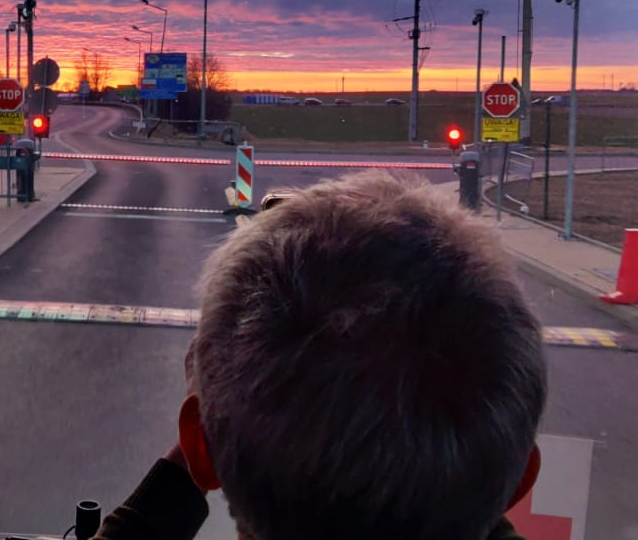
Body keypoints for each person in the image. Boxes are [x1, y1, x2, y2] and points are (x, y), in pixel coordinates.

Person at [96, 170, 548, 540]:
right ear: (520, 480)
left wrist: (205, 437)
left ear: (200, 450)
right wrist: (476, 481)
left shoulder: (200, 447)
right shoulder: (497, 479)